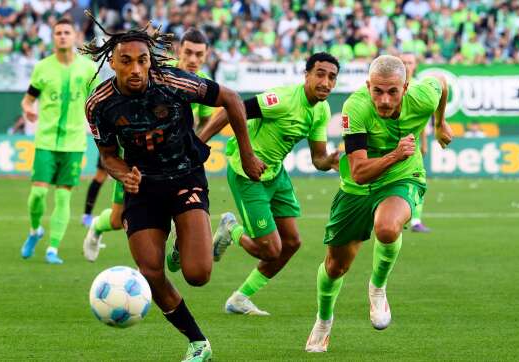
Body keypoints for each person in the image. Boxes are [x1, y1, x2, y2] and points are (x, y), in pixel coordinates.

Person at [81, 20, 265, 361]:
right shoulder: (99, 104)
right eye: (126, 61)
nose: (135, 69)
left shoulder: (174, 81)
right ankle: (198, 343)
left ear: (151, 60)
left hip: (185, 177)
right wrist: (124, 175)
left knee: (198, 275)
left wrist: (248, 152)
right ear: (112, 62)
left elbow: (231, 98)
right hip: (144, 185)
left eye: (142, 60)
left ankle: (187, 239)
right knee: (151, 272)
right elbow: (107, 156)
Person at [305, 55, 452, 352]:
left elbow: (442, 83)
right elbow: (359, 173)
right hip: (358, 185)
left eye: (393, 92)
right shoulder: (355, 108)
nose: (385, 100)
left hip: (402, 177)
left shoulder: (422, 96)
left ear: (406, 87)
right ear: (368, 85)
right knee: (335, 267)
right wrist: (395, 154)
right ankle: (323, 320)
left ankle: (378, 288)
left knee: (387, 228)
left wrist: (440, 123)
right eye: (378, 91)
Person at [191, 52, 341, 315]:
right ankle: (231, 229)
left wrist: (330, 161)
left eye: (332, 77)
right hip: (247, 174)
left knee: (292, 243)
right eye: (320, 74)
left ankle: (239, 299)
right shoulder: (282, 99)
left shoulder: (322, 109)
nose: (326, 83)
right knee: (271, 250)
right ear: (306, 75)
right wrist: (198, 143)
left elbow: (317, 158)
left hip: (275, 174)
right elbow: (232, 107)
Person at [82, 28, 215, 262]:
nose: (193, 60)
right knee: (116, 219)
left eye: (199, 55)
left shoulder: (201, 82)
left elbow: (205, 122)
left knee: (186, 213)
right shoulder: (156, 71)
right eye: (188, 53)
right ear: (177, 51)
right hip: (135, 162)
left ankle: (179, 246)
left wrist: (190, 146)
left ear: (206, 56)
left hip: (175, 165)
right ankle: (97, 227)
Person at [19, 18, 98, 265]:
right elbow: (28, 100)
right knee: (38, 195)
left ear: (75, 37)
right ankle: (35, 231)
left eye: (67, 32)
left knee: (63, 198)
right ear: (53, 38)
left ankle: (53, 249)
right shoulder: (43, 67)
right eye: (58, 33)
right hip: (46, 141)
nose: (62, 36)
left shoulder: (87, 69)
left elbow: (97, 100)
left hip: (74, 143)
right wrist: (28, 110)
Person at [399, 52, 431, 233]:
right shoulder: (391, 86)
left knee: (418, 181)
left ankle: (415, 221)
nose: (406, 65)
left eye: (410, 62)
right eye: (403, 62)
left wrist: (424, 143)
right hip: (390, 144)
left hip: (413, 144)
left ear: (415, 66)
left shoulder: (419, 87)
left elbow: (423, 121)